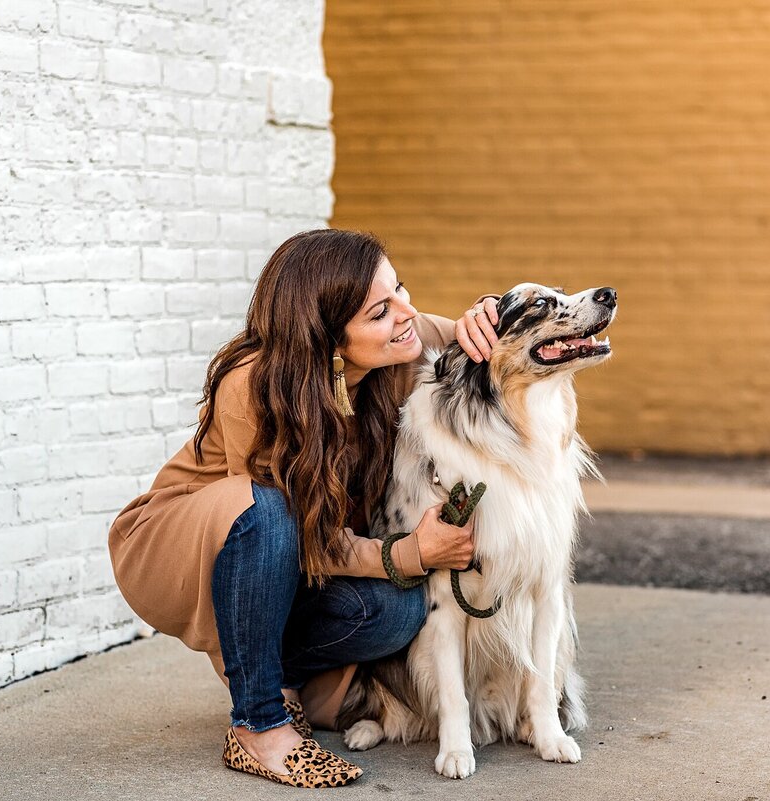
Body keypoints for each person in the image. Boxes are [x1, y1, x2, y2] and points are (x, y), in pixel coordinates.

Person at [107, 229, 502, 788]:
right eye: (380, 312)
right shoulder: (255, 388)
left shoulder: (397, 348)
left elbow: (466, 332)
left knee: (399, 610)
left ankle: (281, 678)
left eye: (402, 289)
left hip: (295, 555)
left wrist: (489, 312)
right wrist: (410, 550)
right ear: (327, 339)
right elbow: (294, 533)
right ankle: (258, 723)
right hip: (190, 541)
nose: (408, 313)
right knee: (269, 510)